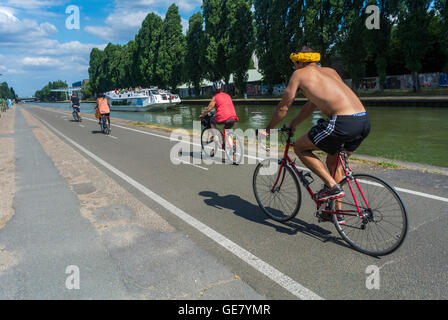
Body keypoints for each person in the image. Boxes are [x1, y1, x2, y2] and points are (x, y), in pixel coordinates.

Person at [261, 46, 370, 208]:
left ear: (299, 62)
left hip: (342, 122)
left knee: (299, 147)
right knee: (334, 165)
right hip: (363, 121)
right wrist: (294, 124)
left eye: (294, 64)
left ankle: (332, 188)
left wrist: (268, 129)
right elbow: (311, 105)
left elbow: (283, 108)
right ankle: (336, 213)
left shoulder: (298, 74)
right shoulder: (330, 72)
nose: (294, 68)